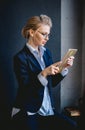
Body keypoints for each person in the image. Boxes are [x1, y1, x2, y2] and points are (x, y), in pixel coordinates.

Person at [11, 14, 77, 130]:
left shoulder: (47, 53)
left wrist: (63, 68)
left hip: (47, 110)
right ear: (32, 32)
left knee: (73, 126)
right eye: (43, 34)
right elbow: (26, 89)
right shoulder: (20, 58)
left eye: (48, 35)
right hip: (29, 111)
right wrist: (44, 73)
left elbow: (51, 83)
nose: (47, 38)